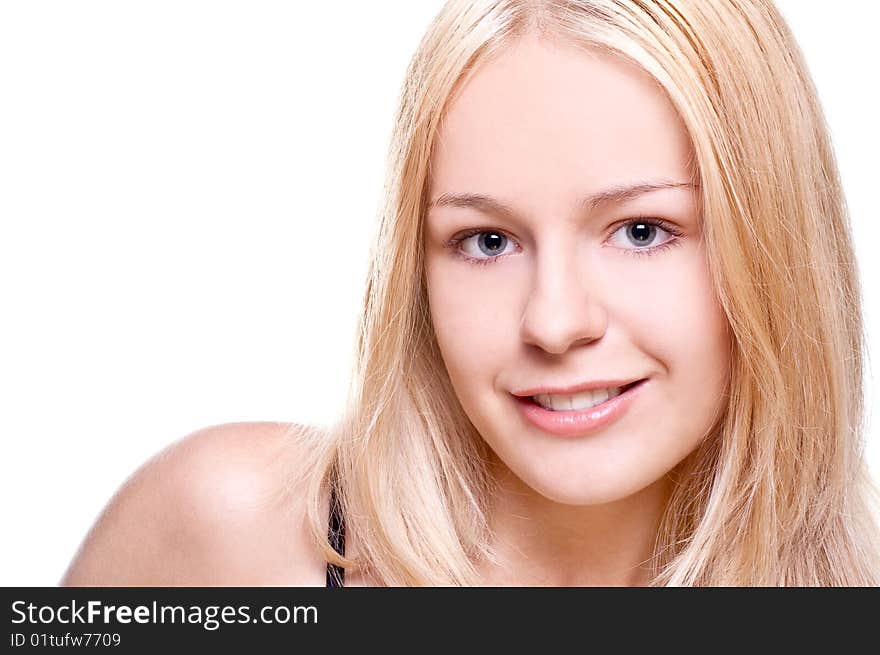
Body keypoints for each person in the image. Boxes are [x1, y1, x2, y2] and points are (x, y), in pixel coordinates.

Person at [61, 0, 880, 587]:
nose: (555, 321)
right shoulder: (232, 536)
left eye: (641, 230)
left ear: (776, 244)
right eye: (486, 241)